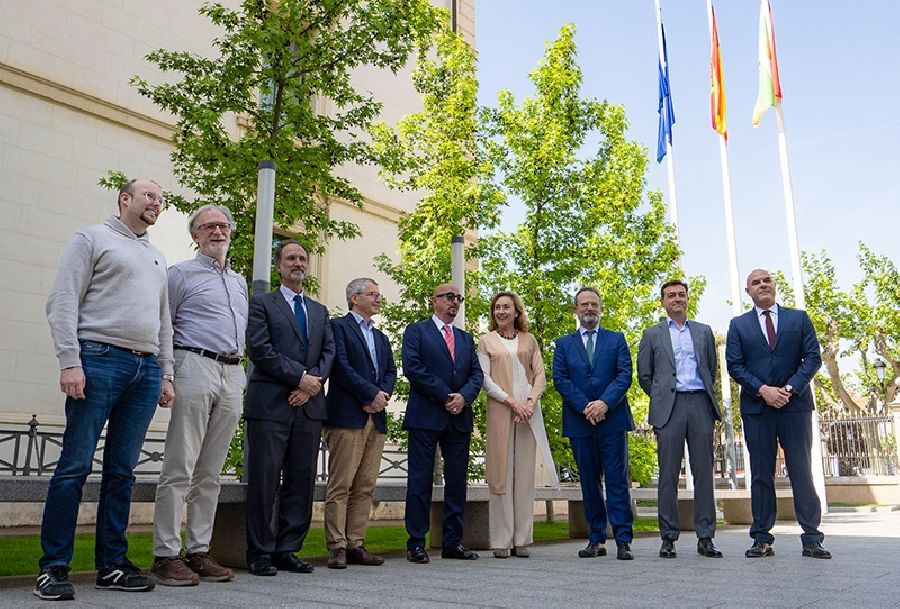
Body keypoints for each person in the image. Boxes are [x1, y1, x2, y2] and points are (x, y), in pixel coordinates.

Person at [38, 179, 174, 600]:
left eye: (161, 199)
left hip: (145, 369)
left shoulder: (156, 255)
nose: (157, 203)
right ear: (125, 199)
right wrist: (70, 361)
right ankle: (53, 567)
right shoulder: (91, 238)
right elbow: (63, 300)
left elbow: (164, 320)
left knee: (122, 472)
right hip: (98, 359)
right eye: (149, 195)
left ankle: (112, 564)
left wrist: (166, 373)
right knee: (74, 466)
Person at [150, 205, 248, 585]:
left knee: (211, 471)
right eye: (208, 227)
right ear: (195, 235)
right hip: (193, 364)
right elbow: (165, 325)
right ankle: (165, 555)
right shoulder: (179, 274)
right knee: (180, 465)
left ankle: (199, 551)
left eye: (223, 226)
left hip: (232, 371)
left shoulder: (238, 281)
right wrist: (166, 374)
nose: (217, 232)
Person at [243, 241, 335, 576]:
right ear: (278, 266)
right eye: (290, 258)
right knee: (264, 479)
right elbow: (259, 349)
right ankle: (260, 552)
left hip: (309, 407)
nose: (297, 263)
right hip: (270, 405)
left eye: (302, 258)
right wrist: (299, 378)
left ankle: (288, 548)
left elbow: (328, 353)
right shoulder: (261, 304)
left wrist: (311, 384)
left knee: (301, 480)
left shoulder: (319, 311)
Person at [726, 268, 829, 559]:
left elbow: (813, 357)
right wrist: (763, 390)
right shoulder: (738, 325)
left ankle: (812, 538)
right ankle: (762, 538)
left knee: (801, 471)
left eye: (766, 280)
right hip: (757, 409)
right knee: (761, 474)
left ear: (774, 285)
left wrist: (789, 388)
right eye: (755, 282)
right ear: (748, 291)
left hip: (795, 407)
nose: (762, 285)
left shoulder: (799, 319)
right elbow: (735, 365)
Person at [637, 280, 723, 559]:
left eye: (681, 294)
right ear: (662, 301)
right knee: (668, 475)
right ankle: (668, 538)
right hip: (669, 409)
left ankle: (706, 537)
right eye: (671, 295)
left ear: (687, 299)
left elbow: (711, 370)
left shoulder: (703, 331)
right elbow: (645, 375)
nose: (676, 299)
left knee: (704, 473)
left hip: (699, 404)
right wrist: (662, 396)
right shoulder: (652, 334)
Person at [402, 284, 484, 564]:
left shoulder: (465, 338)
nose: (455, 302)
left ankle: (453, 542)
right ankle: (416, 543)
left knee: (457, 482)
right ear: (433, 300)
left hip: (459, 418)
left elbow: (476, 374)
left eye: (459, 298)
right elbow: (413, 368)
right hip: (426, 416)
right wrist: (446, 396)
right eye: (449, 297)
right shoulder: (417, 331)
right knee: (420, 481)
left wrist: (463, 397)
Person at [552, 287, 635, 560]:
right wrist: (586, 407)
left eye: (594, 304)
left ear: (601, 309)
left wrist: (604, 404)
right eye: (584, 304)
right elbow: (560, 379)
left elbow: (624, 375)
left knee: (617, 481)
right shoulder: (563, 344)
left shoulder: (617, 339)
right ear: (575, 309)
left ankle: (623, 540)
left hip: (613, 420)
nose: (590, 308)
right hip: (580, 422)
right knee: (589, 482)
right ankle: (596, 538)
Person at [323, 278, 397, 569]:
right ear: (355, 298)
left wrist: (381, 396)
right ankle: (337, 546)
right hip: (346, 416)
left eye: (379, 294)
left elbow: (390, 371)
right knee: (340, 485)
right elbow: (341, 367)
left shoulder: (380, 337)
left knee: (365, 486)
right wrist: (369, 394)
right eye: (373, 294)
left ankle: (355, 543)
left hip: (375, 418)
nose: (379, 298)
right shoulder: (338, 327)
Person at [478, 291, 557, 559]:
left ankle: (522, 538)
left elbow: (540, 375)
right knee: (500, 474)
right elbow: (484, 379)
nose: (501, 311)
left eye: (506, 307)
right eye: (497, 307)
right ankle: (501, 540)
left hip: (527, 414)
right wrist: (512, 401)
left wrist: (530, 403)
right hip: (501, 410)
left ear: (516, 311)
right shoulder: (486, 341)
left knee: (524, 476)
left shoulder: (529, 340)